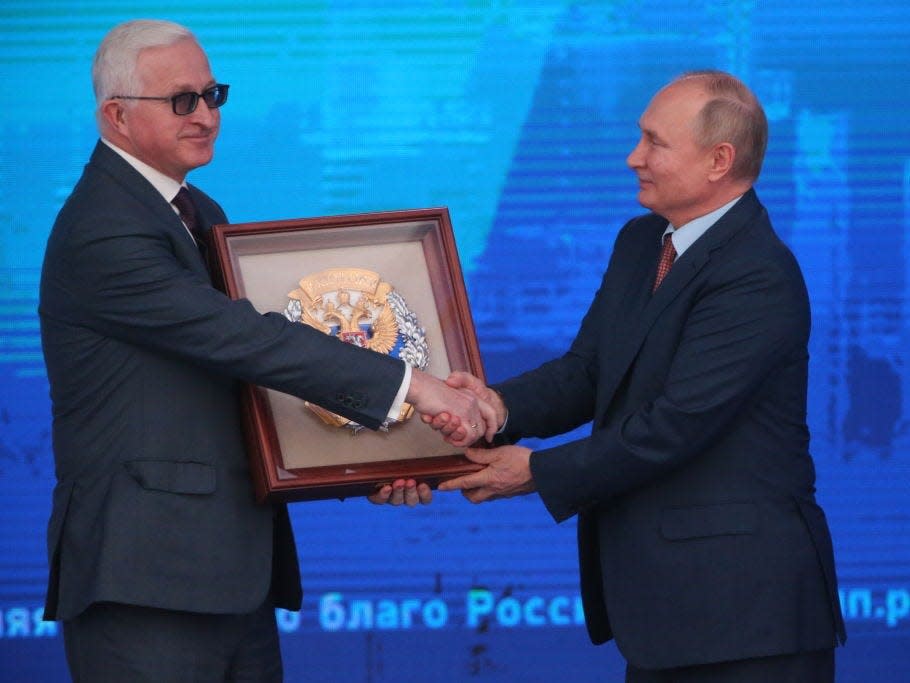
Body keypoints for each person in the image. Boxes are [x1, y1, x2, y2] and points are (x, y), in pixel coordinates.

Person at [39, 19, 494, 682]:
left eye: (212, 94)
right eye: (181, 101)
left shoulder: (199, 213)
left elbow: (243, 386)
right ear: (115, 116)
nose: (205, 115)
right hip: (146, 581)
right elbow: (247, 340)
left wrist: (376, 458)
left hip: (230, 573)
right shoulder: (102, 230)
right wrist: (415, 386)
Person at [436, 71, 846, 682]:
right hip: (666, 615)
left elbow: (677, 425)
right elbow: (590, 372)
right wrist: (492, 407)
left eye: (654, 143)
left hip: (745, 617)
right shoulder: (641, 242)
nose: (634, 158)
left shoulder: (758, 273)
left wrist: (536, 472)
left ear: (718, 161)